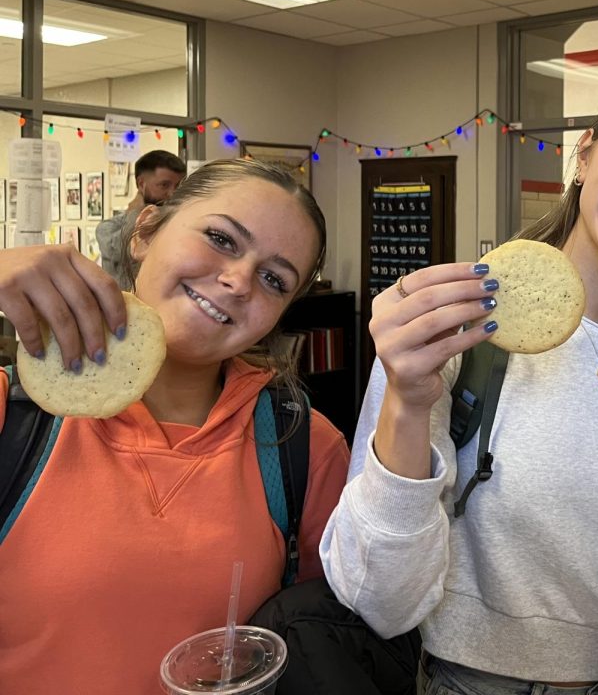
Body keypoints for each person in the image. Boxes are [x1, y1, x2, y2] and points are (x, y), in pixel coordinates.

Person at [321, 70, 598, 693]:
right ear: (585, 153)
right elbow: (380, 598)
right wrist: (408, 402)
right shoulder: (457, 322)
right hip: (469, 681)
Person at [0, 158, 350, 694]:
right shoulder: (14, 415)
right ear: (145, 232)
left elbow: (325, 636)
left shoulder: (304, 446)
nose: (236, 281)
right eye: (221, 238)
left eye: (274, 279)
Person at [96, 148, 186, 289]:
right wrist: (135, 214)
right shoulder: (108, 228)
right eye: (164, 185)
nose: (173, 193)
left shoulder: (180, 225)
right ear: (141, 184)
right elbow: (125, 251)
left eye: (179, 185)